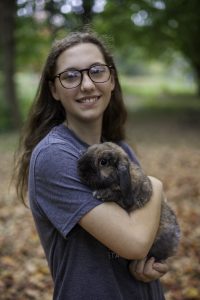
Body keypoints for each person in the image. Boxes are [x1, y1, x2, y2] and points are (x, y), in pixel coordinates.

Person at [15, 31, 169, 300]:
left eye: (96, 71)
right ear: (54, 89)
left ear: (111, 80)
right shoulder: (54, 155)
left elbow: (147, 235)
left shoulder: (119, 148)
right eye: (71, 76)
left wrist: (151, 261)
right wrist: (156, 184)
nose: (87, 85)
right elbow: (134, 241)